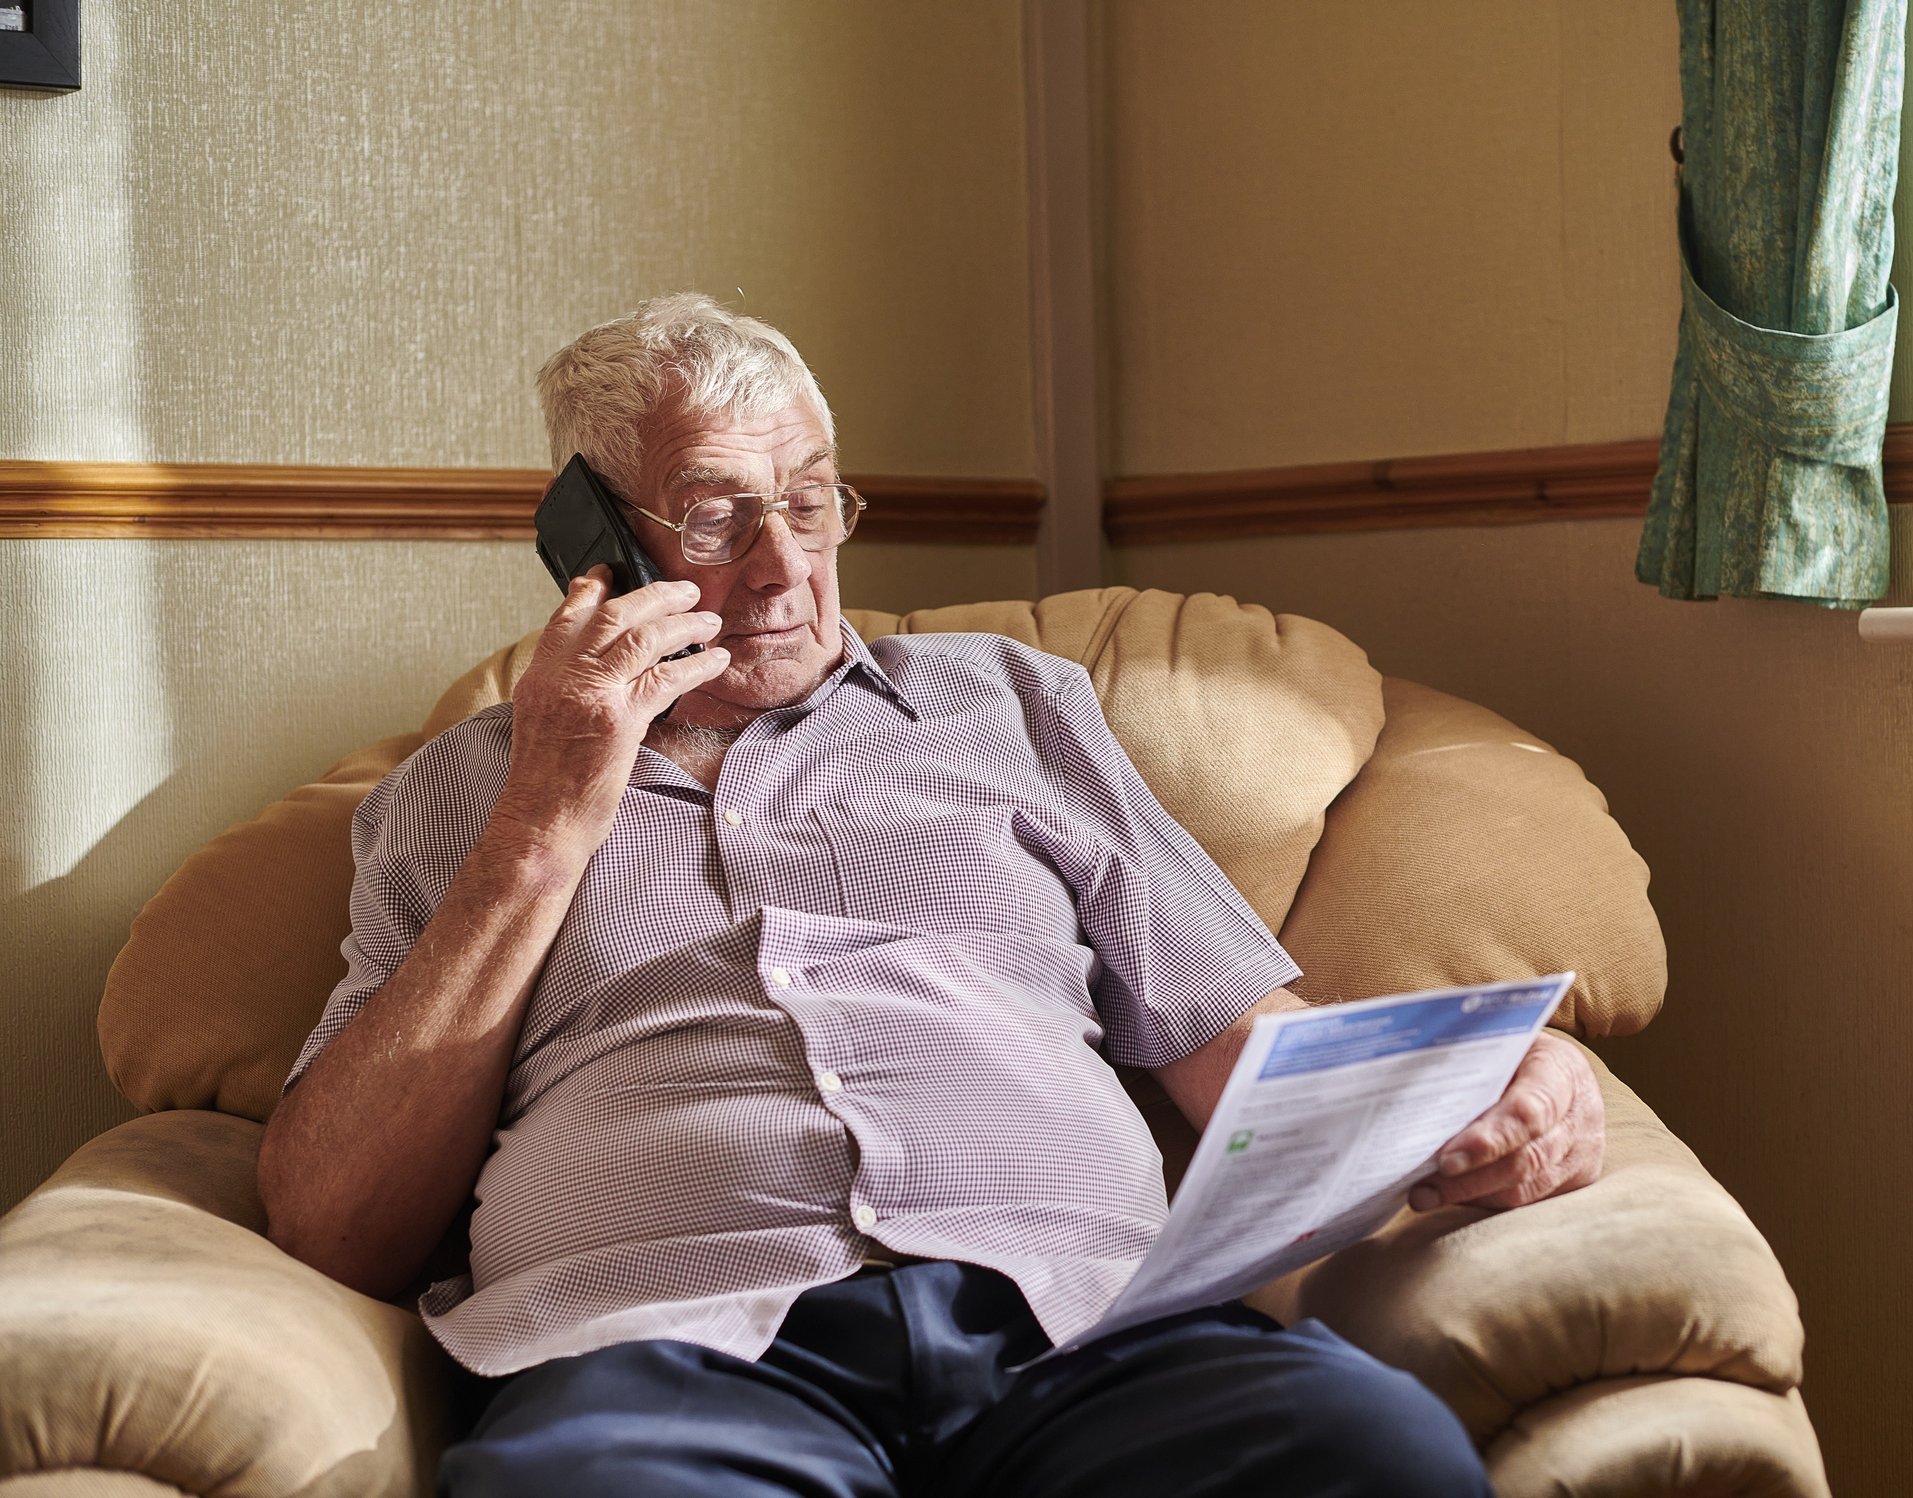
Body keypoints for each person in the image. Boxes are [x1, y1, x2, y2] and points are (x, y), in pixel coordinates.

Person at [257, 293, 1606, 1497]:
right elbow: (337, 1218)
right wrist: (547, 823)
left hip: (1084, 1329)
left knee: (1375, 1457)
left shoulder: (1014, 705)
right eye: (718, 514)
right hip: (667, 1347)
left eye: (809, 500)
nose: (785, 566)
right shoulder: (465, 793)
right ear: (594, 538)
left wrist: (1485, 1072)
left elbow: (1249, 1055)